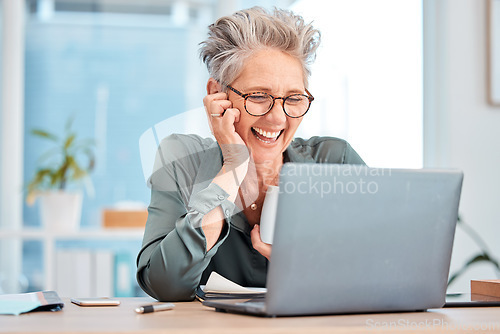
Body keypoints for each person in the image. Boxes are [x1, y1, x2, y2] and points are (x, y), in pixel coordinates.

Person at [136, 6, 365, 302]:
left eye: (294, 98)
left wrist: (308, 267)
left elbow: (389, 271)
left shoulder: (335, 161)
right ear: (217, 95)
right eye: (258, 96)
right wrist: (232, 167)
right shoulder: (182, 159)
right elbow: (165, 284)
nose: (278, 119)